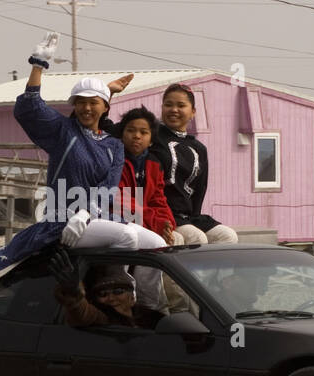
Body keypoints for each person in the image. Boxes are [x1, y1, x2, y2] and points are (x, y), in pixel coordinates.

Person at [16, 33, 169, 309]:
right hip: (61, 220)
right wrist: (38, 64)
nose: (87, 107)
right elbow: (30, 108)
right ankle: (117, 290)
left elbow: (109, 187)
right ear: (74, 106)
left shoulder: (113, 144)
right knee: (128, 236)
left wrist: (86, 213)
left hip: (93, 217)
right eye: (80, 101)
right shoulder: (63, 132)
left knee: (157, 243)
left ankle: (150, 309)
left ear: (105, 106)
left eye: (93, 101)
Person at [150, 82, 238, 245]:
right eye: (168, 105)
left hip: (188, 216)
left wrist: (193, 215)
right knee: (196, 238)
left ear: (193, 112)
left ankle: (208, 271)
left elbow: (200, 189)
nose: (174, 110)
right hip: (164, 213)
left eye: (181, 105)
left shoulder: (199, 148)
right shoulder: (152, 137)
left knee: (227, 236)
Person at [48, 249, 163, 329]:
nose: (111, 298)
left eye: (118, 291)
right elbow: (82, 313)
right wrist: (73, 292)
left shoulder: (151, 318)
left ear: (132, 297)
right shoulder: (102, 319)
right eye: (103, 294)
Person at [115, 106, 177, 244]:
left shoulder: (154, 164)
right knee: (155, 242)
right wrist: (155, 223)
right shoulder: (115, 160)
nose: (136, 136)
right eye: (130, 130)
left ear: (151, 141)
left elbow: (158, 199)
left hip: (146, 221)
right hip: (120, 220)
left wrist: (166, 223)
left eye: (143, 132)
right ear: (121, 134)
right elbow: (120, 200)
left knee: (175, 238)